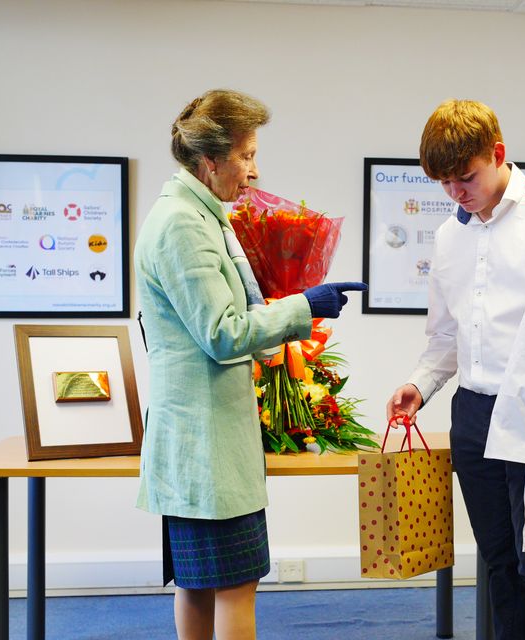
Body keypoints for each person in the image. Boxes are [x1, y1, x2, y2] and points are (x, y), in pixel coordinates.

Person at [134, 89, 365, 640]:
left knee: (199, 584)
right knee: (234, 586)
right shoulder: (184, 224)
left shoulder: (199, 215)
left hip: (202, 441)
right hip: (206, 446)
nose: (254, 173)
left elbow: (234, 316)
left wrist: (291, 306)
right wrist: (305, 306)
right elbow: (222, 333)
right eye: (246, 156)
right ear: (209, 160)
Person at [386, 99, 525, 640]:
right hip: (474, 411)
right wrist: (420, 384)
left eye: (466, 177)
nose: (456, 193)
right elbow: (446, 335)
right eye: (444, 183)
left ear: (499, 154)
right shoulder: (447, 236)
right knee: (499, 563)